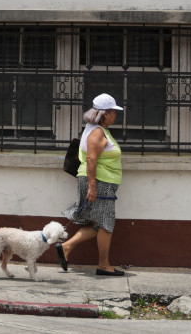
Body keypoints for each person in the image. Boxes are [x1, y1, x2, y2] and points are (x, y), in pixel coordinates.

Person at [55, 93, 126, 276]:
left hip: (102, 182)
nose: (115, 116)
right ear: (105, 114)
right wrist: (93, 187)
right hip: (100, 183)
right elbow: (91, 160)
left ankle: (66, 247)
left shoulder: (96, 129)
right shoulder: (96, 132)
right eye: (113, 112)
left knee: (97, 223)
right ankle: (103, 265)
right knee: (105, 224)